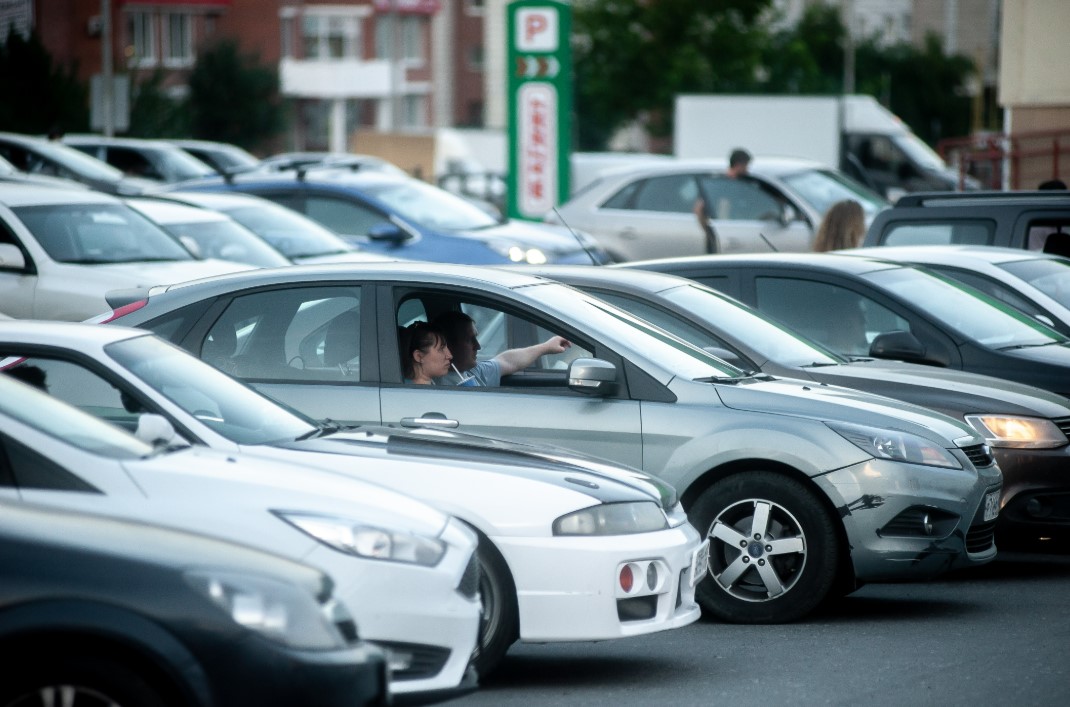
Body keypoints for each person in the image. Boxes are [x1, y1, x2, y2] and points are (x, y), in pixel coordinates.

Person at [432, 310, 571, 387]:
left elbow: (507, 361)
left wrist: (546, 347)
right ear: (447, 345)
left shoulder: (472, 372)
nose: (478, 346)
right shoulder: (432, 384)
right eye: (469, 340)